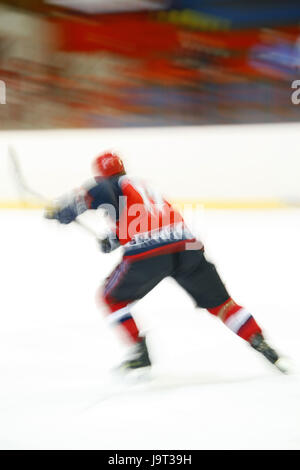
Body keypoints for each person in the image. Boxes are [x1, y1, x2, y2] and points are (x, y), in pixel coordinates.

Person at [45, 151, 286, 374]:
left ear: (99, 176)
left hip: (150, 252)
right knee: (222, 304)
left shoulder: (109, 184)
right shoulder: (142, 185)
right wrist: (116, 238)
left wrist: (63, 211)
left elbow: (96, 196)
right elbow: (147, 216)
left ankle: (140, 353)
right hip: (187, 246)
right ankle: (259, 340)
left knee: (111, 298)